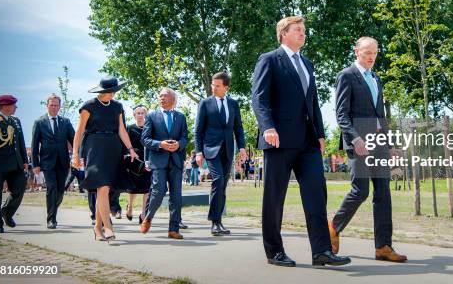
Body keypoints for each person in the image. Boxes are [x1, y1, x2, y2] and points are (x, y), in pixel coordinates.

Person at [251, 16, 351, 267]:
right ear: (283, 33)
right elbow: (259, 99)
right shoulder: (270, 60)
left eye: (304, 30)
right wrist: (267, 127)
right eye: (298, 30)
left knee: (317, 194)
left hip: (307, 142)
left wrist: (319, 133)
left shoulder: (307, 63)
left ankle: (321, 251)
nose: (303, 34)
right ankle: (274, 251)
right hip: (278, 140)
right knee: (274, 199)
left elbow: (313, 102)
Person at [329, 37, 407, 262]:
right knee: (360, 191)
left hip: (379, 144)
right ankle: (333, 227)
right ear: (356, 52)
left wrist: (389, 144)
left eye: (374, 53)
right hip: (359, 144)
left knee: (383, 192)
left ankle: (383, 246)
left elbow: (380, 115)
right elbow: (341, 114)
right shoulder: (346, 76)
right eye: (366, 53)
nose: (371, 57)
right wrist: (354, 139)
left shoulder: (376, 79)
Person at [72, 76, 138, 241]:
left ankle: (97, 228)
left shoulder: (117, 107)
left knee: (106, 189)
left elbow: (122, 130)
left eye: (114, 91)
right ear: (102, 91)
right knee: (102, 186)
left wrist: (131, 149)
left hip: (113, 147)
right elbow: (79, 132)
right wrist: (75, 154)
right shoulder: (88, 106)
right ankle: (108, 227)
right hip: (94, 147)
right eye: (110, 92)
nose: (113, 95)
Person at [195, 71, 247, 236]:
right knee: (217, 180)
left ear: (226, 87)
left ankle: (219, 222)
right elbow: (198, 130)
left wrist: (242, 148)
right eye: (212, 84)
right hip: (211, 149)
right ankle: (214, 221)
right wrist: (198, 152)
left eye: (217, 86)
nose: (213, 88)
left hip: (228, 150)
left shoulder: (233, 104)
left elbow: (238, 128)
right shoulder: (205, 103)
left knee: (223, 186)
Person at [140, 87, 188, 240]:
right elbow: (145, 139)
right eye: (160, 96)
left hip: (176, 160)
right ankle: (148, 217)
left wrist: (179, 145)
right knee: (158, 191)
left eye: (165, 96)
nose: (162, 98)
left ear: (173, 99)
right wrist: (160, 144)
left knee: (176, 195)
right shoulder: (152, 116)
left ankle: (173, 229)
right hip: (158, 161)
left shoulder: (181, 117)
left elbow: (185, 138)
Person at [31, 93, 76, 229]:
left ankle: (53, 210)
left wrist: (78, 156)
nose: (54, 107)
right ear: (47, 106)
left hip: (63, 162)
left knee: (60, 190)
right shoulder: (39, 122)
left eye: (56, 105)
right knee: (51, 188)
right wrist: (35, 164)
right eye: (51, 105)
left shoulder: (66, 122)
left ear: (60, 106)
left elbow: (74, 140)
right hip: (47, 162)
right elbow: (34, 145)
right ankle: (51, 219)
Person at [0, 95, 28, 234]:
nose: (16, 108)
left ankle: (6, 212)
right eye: (14, 105)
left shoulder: (15, 121)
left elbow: (20, 142)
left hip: (16, 163)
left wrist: (25, 160)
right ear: (6, 106)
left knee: (19, 187)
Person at [125, 105, 152, 224]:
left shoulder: (150, 128)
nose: (140, 115)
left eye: (142, 113)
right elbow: (125, 144)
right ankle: (130, 207)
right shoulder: (130, 128)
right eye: (138, 113)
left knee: (146, 188)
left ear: (145, 115)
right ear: (134, 115)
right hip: (134, 162)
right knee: (133, 189)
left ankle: (143, 213)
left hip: (147, 161)